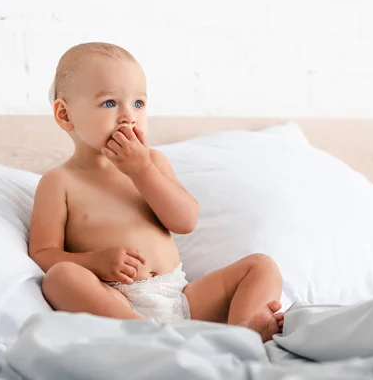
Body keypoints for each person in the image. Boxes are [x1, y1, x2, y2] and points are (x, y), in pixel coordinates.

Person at [27, 42, 284, 341]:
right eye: (110, 103)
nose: (129, 116)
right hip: (118, 302)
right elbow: (43, 254)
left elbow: (185, 221)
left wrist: (142, 170)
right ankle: (145, 335)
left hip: (182, 299)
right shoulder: (60, 182)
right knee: (60, 278)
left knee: (262, 266)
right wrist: (94, 262)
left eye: (138, 103)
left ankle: (244, 334)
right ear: (65, 115)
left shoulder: (153, 164)